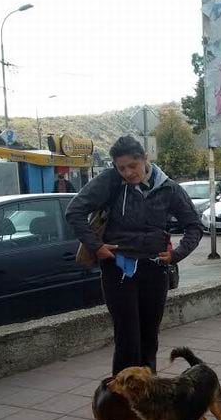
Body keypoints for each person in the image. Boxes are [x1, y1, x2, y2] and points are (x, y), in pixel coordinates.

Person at [66, 136, 202, 375]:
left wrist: (176, 255)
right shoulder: (110, 182)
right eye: (121, 168)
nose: (128, 173)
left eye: (132, 166)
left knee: (149, 336)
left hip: (155, 269)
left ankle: (147, 393)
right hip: (118, 269)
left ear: (145, 159)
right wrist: (97, 247)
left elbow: (194, 226)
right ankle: (122, 398)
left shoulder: (168, 188)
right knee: (127, 337)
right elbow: (74, 211)